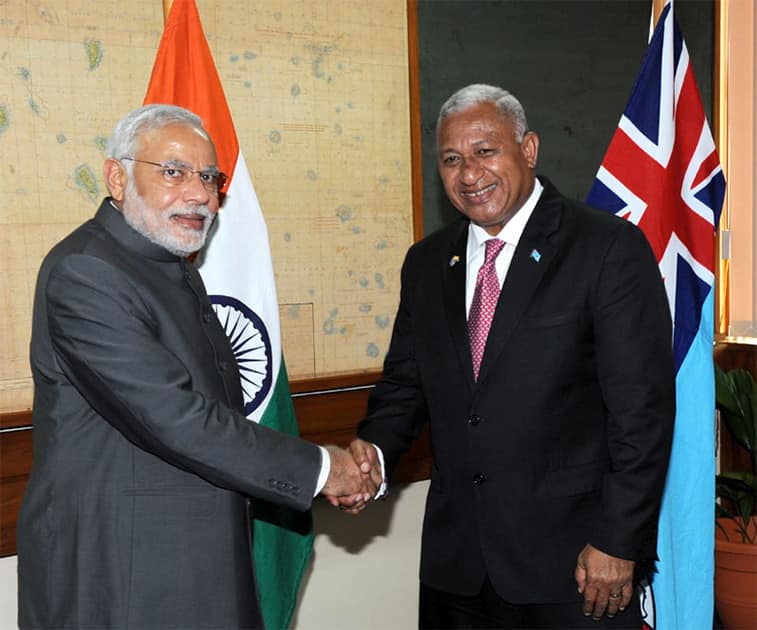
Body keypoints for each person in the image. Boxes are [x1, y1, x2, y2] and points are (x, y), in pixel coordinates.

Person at [17, 104, 377, 629]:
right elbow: (176, 419)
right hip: (123, 578)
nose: (200, 194)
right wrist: (323, 470)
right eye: (173, 172)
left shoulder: (168, 265)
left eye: (209, 177)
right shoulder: (87, 273)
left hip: (193, 567)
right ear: (117, 177)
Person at [347, 84, 676, 628]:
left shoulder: (605, 249)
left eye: (485, 151)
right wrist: (373, 458)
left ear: (529, 150)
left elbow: (642, 413)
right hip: (457, 569)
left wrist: (619, 542)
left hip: (577, 566)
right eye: (452, 159)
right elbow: (406, 384)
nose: (469, 173)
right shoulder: (427, 264)